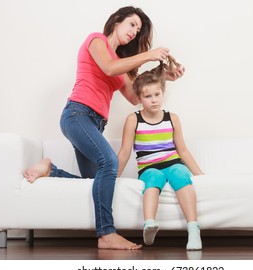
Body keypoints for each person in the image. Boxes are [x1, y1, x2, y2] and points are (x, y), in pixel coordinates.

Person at [23, 6, 184, 250]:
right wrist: (149, 55)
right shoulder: (96, 40)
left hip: (94, 123)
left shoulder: (121, 63)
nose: (134, 32)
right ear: (116, 21)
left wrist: (164, 75)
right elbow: (107, 67)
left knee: (94, 181)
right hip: (77, 114)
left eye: (138, 30)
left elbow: (134, 96)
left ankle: (50, 170)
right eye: (131, 24)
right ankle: (106, 233)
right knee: (109, 162)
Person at [117, 60, 204, 250]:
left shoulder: (172, 118)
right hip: (149, 167)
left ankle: (193, 229)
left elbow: (183, 150)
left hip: (173, 162)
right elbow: (124, 152)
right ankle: (149, 223)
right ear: (139, 98)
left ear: (163, 93)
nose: (154, 99)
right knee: (152, 179)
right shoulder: (133, 120)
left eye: (157, 94)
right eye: (148, 96)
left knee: (181, 175)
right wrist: (113, 178)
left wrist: (201, 176)